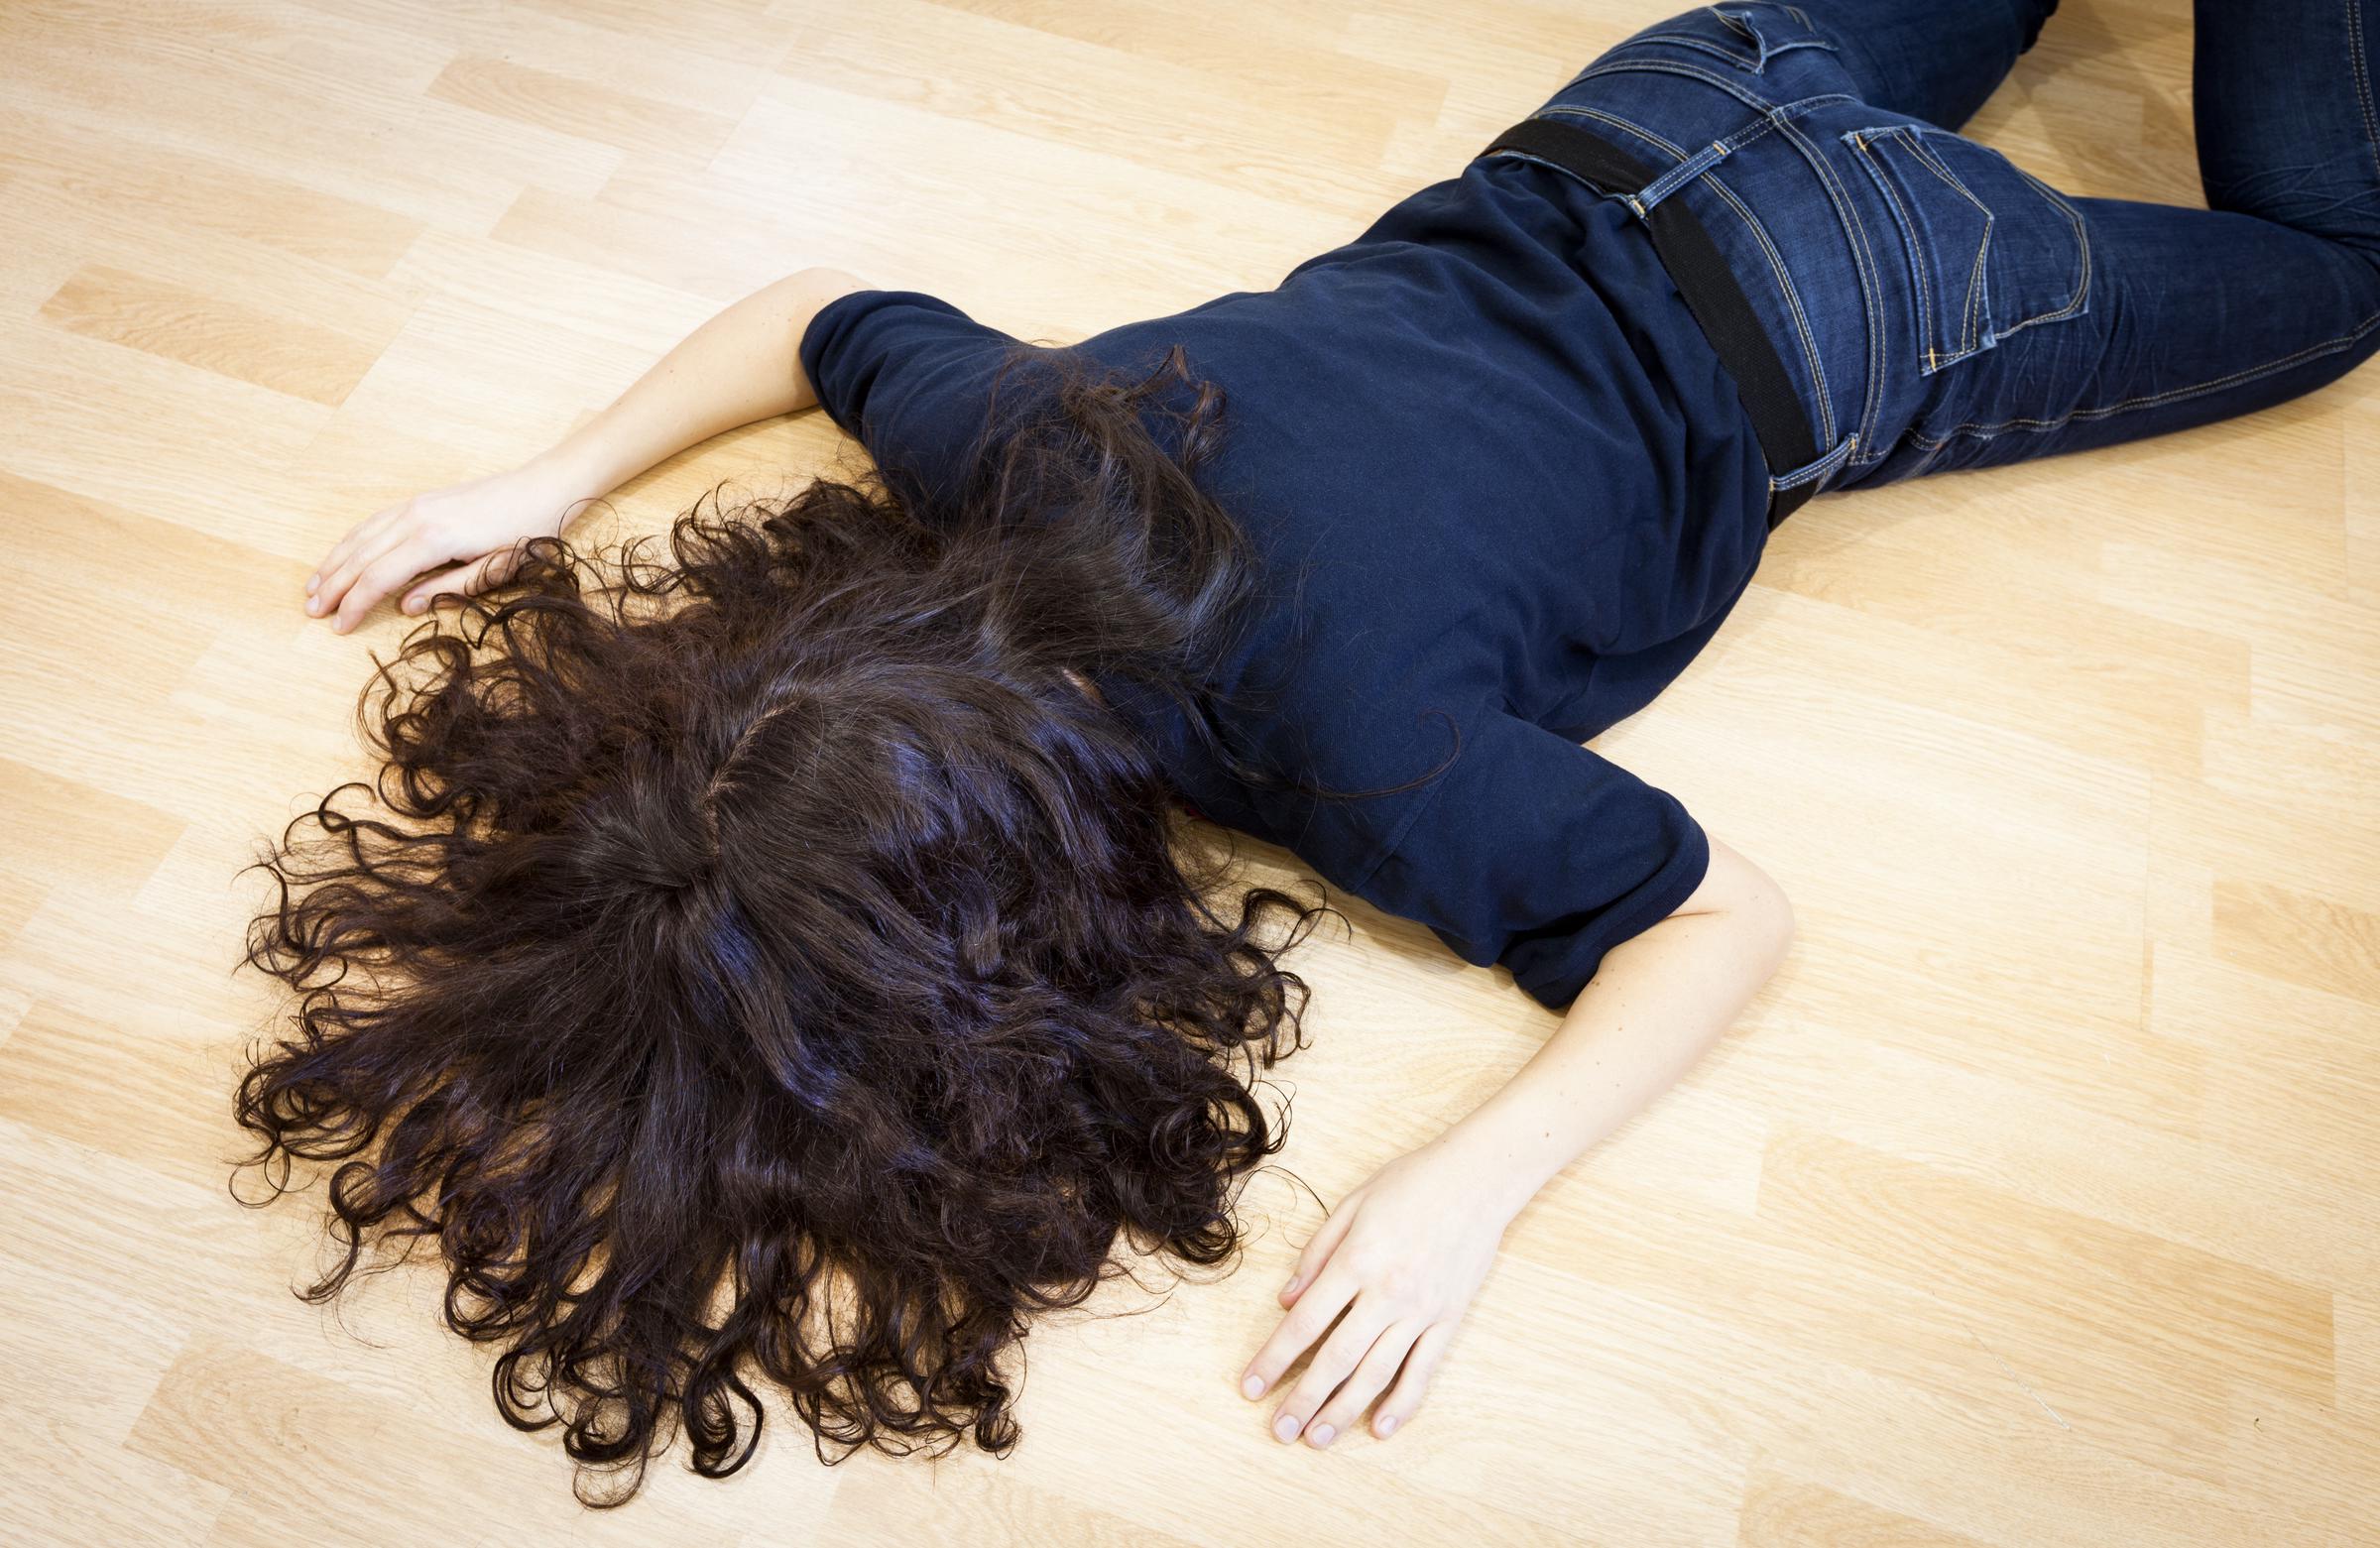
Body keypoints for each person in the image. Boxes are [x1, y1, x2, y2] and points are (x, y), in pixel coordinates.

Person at [264, 0, 2380, 1502]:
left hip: (1871, 298)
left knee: (2340, 262)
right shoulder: (1011, 454)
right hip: (1653, 111)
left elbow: (1721, 920)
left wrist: (1470, 1184)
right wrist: (543, 477)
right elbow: (824, 300)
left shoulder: (1343, 746)